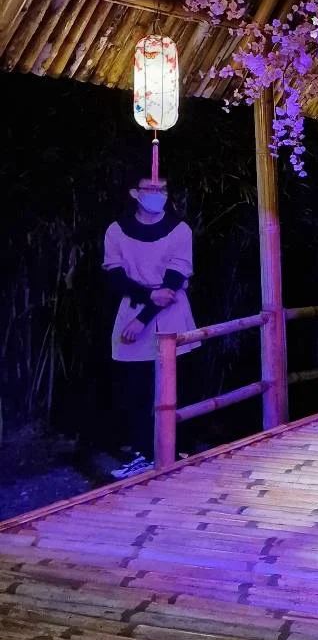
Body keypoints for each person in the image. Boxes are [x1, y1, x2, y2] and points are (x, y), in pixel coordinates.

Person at [103, 176, 196, 478]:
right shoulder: (116, 230)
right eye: (150, 189)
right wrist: (145, 298)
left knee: (173, 385)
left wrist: (142, 319)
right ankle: (143, 453)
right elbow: (115, 275)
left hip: (170, 314)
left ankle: (179, 451)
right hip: (132, 306)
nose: (157, 194)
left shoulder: (180, 230)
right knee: (136, 387)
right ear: (135, 192)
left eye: (162, 189)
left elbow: (174, 280)